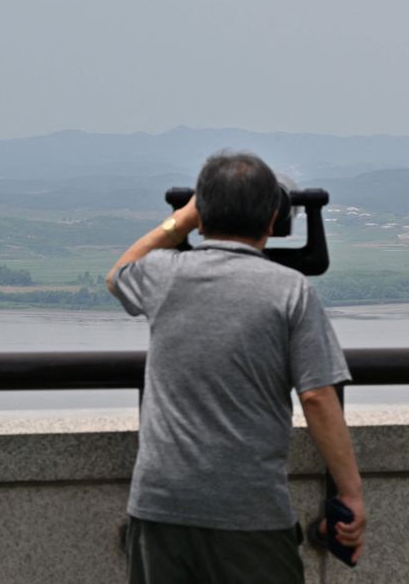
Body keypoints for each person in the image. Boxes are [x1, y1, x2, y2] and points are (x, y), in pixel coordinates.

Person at [106, 151, 366, 583]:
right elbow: (318, 396)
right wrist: (351, 494)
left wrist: (183, 221)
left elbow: (118, 275)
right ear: (272, 219)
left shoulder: (165, 276)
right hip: (251, 513)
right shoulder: (291, 291)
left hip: (160, 506)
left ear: (201, 215)